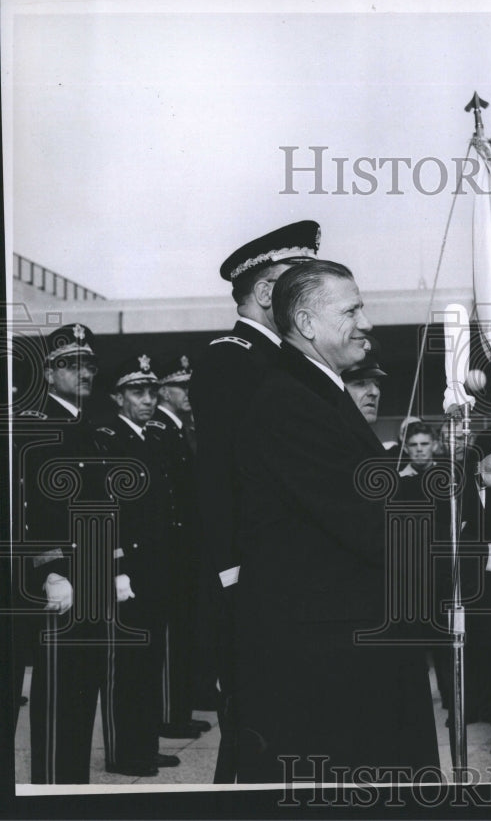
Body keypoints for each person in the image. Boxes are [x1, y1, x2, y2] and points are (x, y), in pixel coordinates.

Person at [232, 259, 491, 782]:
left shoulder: (314, 394)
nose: (367, 322)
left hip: (351, 649)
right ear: (306, 323)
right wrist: (485, 555)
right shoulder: (291, 403)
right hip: (333, 665)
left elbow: (378, 500)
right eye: (352, 309)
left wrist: (470, 478)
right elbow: (370, 529)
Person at [189, 219, 318, 782]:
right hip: (254, 572)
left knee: (287, 719)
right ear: (267, 292)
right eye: (300, 281)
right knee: (254, 725)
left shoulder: (285, 360)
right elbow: (220, 475)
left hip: (289, 569)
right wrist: (233, 572)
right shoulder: (233, 358)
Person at [16, 324, 107, 783]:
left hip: (90, 574)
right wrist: (50, 570)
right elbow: (34, 503)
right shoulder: (39, 421)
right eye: (71, 363)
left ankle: (74, 785)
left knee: (81, 685)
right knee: (57, 691)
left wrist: (114, 567)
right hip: (62, 578)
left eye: (89, 362)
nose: (84, 371)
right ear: (49, 374)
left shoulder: (86, 424)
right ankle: (54, 788)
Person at [94, 354, 179, 777]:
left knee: (149, 662)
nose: (148, 399)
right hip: (130, 568)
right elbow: (111, 511)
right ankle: (123, 752)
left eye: (151, 392)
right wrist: (115, 566)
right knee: (127, 667)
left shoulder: (154, 438)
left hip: (157, 567)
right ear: (118, 397)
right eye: (137, 392)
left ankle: (144, 744)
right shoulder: (109, 439)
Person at [145, 355, 211, 740]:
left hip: (188, 545)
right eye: (180, 387)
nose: (188, 393)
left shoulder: (182, 428)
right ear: (164, 392)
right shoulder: (158, 431)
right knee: (173, 633)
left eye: (190, 385)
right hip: (173, 546)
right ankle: (170, 713)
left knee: (185, 630)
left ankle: (180, 707)